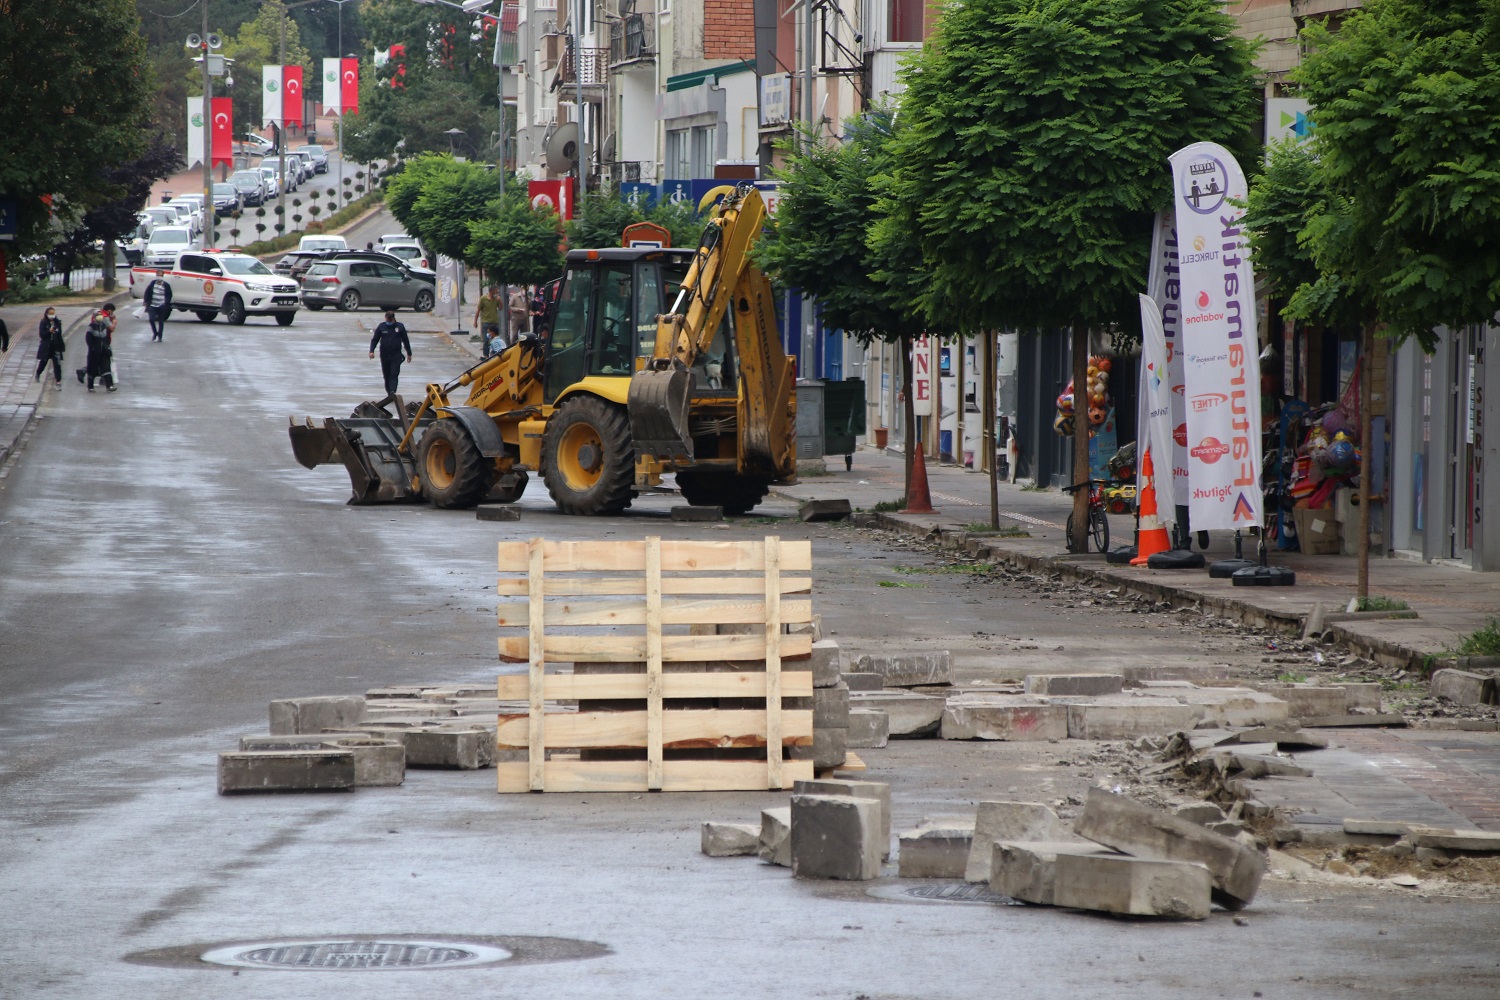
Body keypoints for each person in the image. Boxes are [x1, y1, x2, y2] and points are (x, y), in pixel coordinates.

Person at [369, 310, 412, 396]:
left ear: (393, 319)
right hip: (384, 355)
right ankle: (389, 391)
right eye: (387, 320)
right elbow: (375, 339)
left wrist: (409, 353)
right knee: (386, 375)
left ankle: (393, 391)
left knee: (394, 373)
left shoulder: (400, 327)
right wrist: (371, 351)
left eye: (389, 320)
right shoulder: (382, 327)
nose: (388, 322)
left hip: (396, 355)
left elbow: (405, 341)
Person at [84, 309, 116, 392]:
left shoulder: (104, 326)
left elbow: (106, 338)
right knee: (92, 369)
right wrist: (93, 348)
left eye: (100, 314)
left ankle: (110, 386)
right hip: (94, 353)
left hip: (104, 352)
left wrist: (107, 347)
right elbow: (88, 339)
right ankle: (90, 387)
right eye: (98, 315)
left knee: (106, 368)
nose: (100, 316)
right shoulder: (91, 326)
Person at [34, 307, 64, 388]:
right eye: (50, 313)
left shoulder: (57, 322)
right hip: (46, 346)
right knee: (43, 362)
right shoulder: (44, 322)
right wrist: (49, 331)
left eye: (53, 313)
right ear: (47, 314)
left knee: (57, 364)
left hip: (56, 346)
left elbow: (59, 334)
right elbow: (42, 335)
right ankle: (38, 373)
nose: (52, 315)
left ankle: (58, 380)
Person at [144, 269, 173, 341]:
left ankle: (160, 336)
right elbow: (147, 293)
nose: (159, 277)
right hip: (152, 305)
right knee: (151, 319)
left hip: (161, 305)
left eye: (160, 275)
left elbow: (169, 295)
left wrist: (166, 302)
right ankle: (155, 333)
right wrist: (146, 301)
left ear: (163, 276)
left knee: (161, 321)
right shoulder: (152, 284)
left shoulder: (166, 285)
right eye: (158, 275)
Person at [474, 284, 501, 356]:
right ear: (491, 291)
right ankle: (486, 355)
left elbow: (501, 308)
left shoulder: (496, 299)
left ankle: (493, 353)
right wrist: (475, 322)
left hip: (494, 322)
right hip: (486, 322)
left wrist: (500, 300)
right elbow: (478, 310)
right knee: (486, 340)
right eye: (495, 290)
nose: (496, 292)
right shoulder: (483, 299)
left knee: (495, 339)